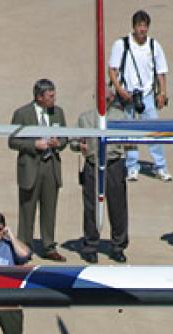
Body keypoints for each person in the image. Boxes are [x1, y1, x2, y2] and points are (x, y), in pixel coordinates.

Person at [109, 9, 171, 181]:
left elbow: (161, 72)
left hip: (147, 95)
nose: (142, 30)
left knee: (154, 131)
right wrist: (120, 90)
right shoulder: (121, 44)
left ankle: (161, 167)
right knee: (129, 133)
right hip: (127, 94)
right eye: (139, 26)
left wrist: (162, 93)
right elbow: (112, 70)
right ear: (134, 27)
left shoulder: (154, 45)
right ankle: (132, 166)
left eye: (145, 26)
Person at [9, 79, 67, 261]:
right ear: (39, 97)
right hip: (31, 166)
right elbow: (13, 141)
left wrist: (59, 143)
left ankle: (48, 246)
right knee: (27, 209)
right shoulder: (22, 114)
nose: (54, 99)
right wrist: (34, 144)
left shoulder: (58, 113)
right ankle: (24, 246)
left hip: (51, 166)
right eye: (50, 96)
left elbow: (65, 137)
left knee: (50, 208)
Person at [71, 91, 128, 263]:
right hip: (92, 164)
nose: (106, 100)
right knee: (91, 207)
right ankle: (90, 245)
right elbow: (73, 141)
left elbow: (131, 139)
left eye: (109, 97)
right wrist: (78, 145)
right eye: (103, 97)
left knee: (118, 207)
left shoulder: (120, 117)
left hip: (114, 163)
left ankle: (118, 246)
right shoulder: (85, 118)